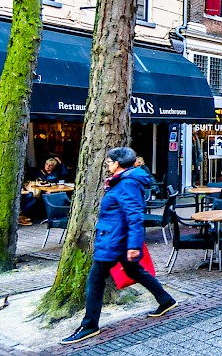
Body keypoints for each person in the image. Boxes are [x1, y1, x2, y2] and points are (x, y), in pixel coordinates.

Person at [62, 147, 176, 345]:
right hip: (116, 237)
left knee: (95, 280)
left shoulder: (126, 184)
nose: (107, 164)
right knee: (135, 271)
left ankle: (89, 325)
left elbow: (134, 215)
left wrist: (134, 246)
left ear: (117, 164)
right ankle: (165, 300)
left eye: (109, 162)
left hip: (114, 239)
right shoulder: (124, 181)